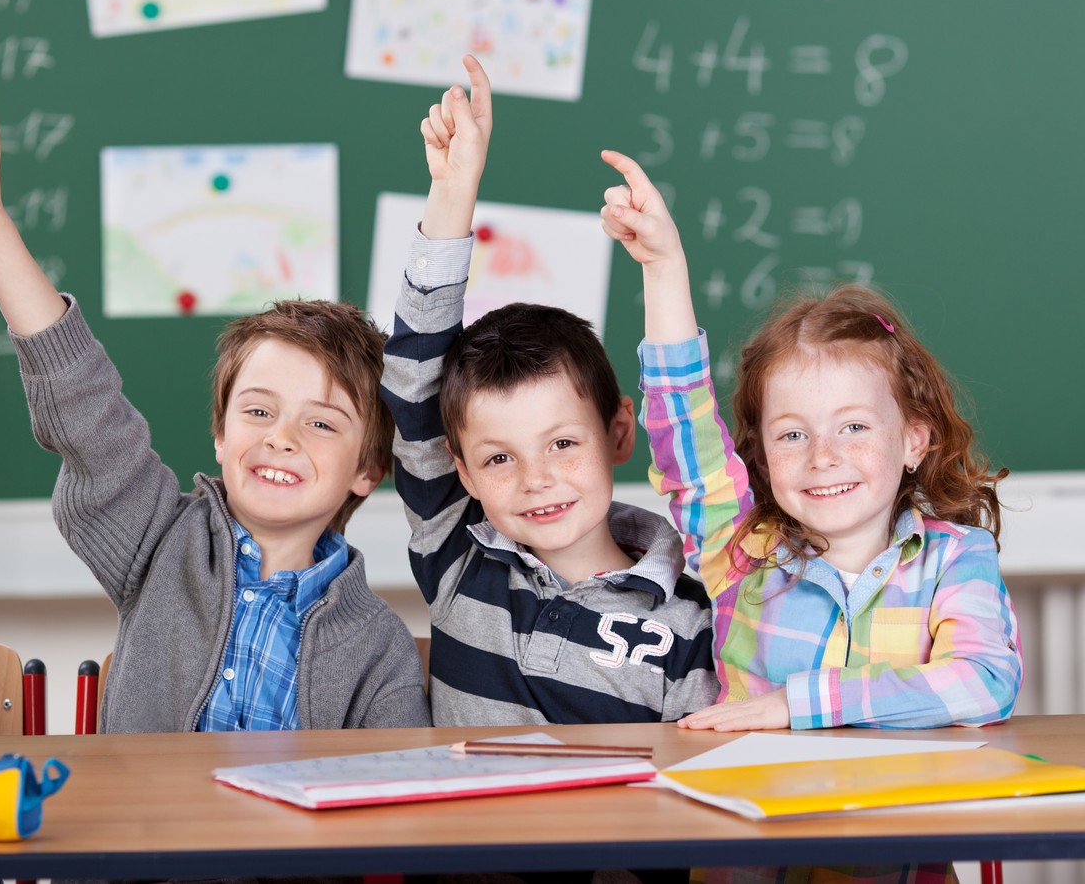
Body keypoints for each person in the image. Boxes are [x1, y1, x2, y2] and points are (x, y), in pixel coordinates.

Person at [0, 68, 427, 732]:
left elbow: (395, 803)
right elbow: (86, 410)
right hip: (150, 835)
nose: (282, 436)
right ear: (220, 434)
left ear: (369, 467)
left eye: (321, 422)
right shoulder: (162, 544)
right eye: (258, 410)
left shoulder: (379, 646)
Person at [604, 148, 1020, 884]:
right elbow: (683, 423)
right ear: (762, 453)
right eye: (792, 433)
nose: (823, 455)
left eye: (854, 427)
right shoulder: (739, 548)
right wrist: (663, 267)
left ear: (914, 439)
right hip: (746, 867)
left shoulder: (956, 558)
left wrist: (796, 706)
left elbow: (981, 680)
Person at [382, 54, 717, 731]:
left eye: (563, 443)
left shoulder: (689, 617)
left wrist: (663, 266)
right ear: (463, 467)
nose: (537, 479)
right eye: (499, 457)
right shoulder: (457, 555)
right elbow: (414, 386)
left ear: (619, 432)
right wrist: (452, 194)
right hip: (469, 839)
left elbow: (700, 792)